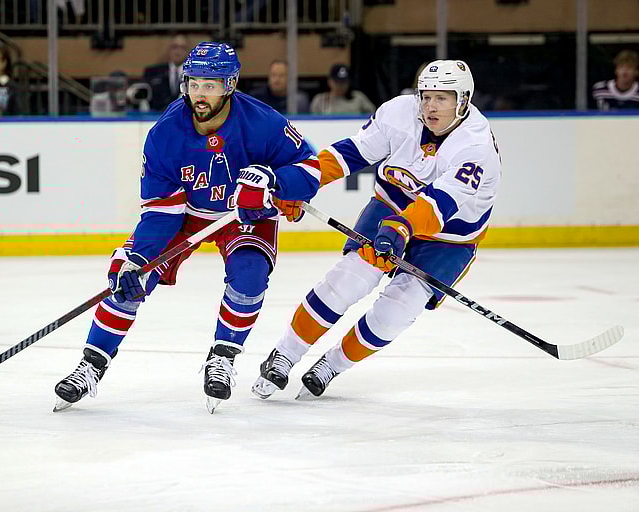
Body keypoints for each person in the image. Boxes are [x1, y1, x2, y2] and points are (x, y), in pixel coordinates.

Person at [54, 42, 321, 413]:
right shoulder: (165, 134)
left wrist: (272, 180)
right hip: (185, 216)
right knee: (127, 276)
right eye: (195, 84)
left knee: (250, 274)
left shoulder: (264, 122)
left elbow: (310, 171)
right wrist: (137, 259)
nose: (200, 94)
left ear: (230, 84)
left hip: (244, 215)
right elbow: (162, 212)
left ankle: (223, 357)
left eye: (210, 85)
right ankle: (91, 365)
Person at [252, 60, 502, 399]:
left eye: (442, 98)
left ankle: (332, 365)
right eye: (426, 96)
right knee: (347, 279)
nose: (430, 106)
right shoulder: (398, 113)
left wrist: (402, 229)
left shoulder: (475, 147)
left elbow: (439, 205)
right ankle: (285, 354)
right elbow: (349, 154)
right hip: (392, 207)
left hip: (448, 237)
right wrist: (299, 182)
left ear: (463, 101)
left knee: (397, 310)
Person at [143, 34, 190, 112]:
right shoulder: (152, 73)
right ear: (169, 49)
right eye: (175, 47)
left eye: (182, 48)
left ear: (188, 51)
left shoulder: (194, 75)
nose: (178, 51)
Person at [310, 64, 376, 115]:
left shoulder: (358, 97)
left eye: (343, 82)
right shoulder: (320, 100)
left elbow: (372, 116)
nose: (340, 86)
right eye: (337, 82)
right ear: (330, 81)